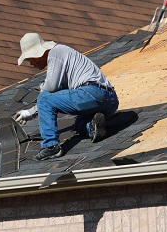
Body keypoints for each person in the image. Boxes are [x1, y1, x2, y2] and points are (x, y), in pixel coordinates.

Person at [13, 33, 119, 161]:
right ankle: (93, 126)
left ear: (39, 53)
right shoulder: (64, 59)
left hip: (91, 92)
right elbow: (55, 93)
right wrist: (31, 112)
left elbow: (49, 89)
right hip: (109, 100)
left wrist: (29, 111)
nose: (30, 63)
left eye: (29, 58)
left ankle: (51, 146)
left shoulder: (55, 52)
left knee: (43, 98)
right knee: (79, 124)